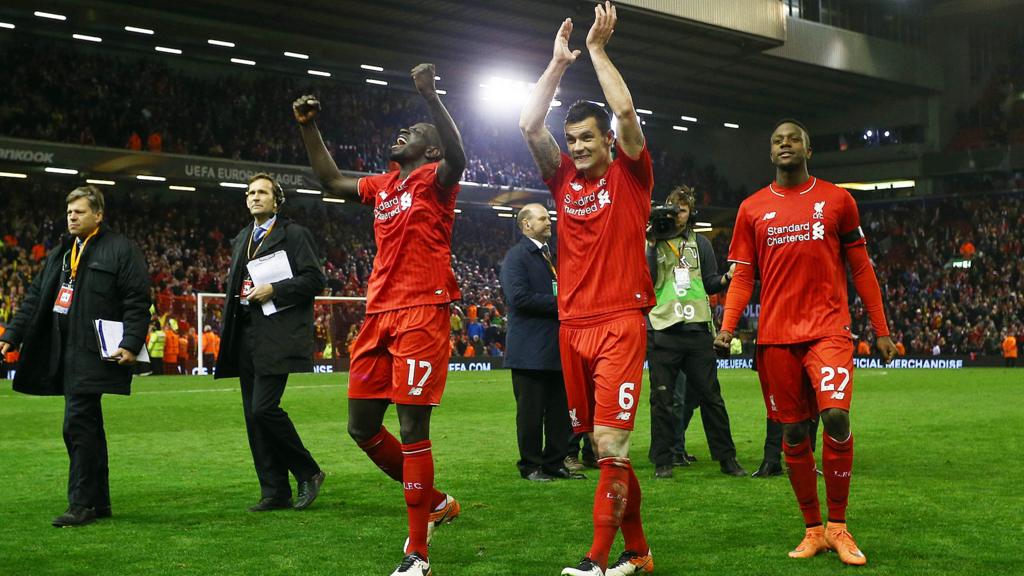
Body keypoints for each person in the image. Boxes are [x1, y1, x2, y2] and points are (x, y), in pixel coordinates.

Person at [294, 62, 466, 576]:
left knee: (413, 428)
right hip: (378, 312)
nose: (400, 134)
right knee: (361, 426)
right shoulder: (384, 185)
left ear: (430, 149)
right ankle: (435, 502)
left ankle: (418, 553)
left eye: (412, 132)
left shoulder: (438, 179)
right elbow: (328, 180)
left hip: (422, 310)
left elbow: (461, 155)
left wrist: (432, 98)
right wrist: (307, 126)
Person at [714, 119, 897, 566]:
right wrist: (728, 324)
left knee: (835, 415)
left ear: (808, 149)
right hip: (776, 337)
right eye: (777, 140)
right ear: (770, 152)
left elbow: (861, 269)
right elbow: (743, 276)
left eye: (793, 139)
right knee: (793, 431)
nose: (784, 145)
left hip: (829, 330)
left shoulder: (837, 200)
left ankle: (839, 524)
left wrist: (882, 328)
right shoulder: (752, 208)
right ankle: (813, 528)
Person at [520, 4, 655, 574]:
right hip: (572, 329)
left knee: (611, 445)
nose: (575, 146)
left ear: (608, 141)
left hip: (620, 323)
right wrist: (556, 65)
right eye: (571, 138)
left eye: (585, 138)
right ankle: (640, 554)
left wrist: (597, 52)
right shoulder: (561, 181)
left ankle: (597, 560)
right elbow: (529, 125)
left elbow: (624, 110)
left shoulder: (632, 174)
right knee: (605, 453)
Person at [0, 185, 150, 527]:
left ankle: (81, 505)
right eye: (69, 211)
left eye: (79, 211)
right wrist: (12, 335)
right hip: (62, 351)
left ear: (98, 215)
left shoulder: (121, 250)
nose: (72, 216)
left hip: (95, 352)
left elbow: (137, 301)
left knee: (77, 424)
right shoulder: (61, 253)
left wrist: (130, 342)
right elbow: (35, 298)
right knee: (88, 426)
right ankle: (99, 501)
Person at [214, 173, 327, 513]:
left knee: (264, 407)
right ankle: (274, 490)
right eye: (250, 193)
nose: (255, 197)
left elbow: (315, 279)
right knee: (253, 415)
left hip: (277, 333)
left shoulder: (294, 235)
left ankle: (309, 471)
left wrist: (275, 290)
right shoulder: (242, 238)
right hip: (245, 334)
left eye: (262, 192)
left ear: (276, 200)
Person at [645, 186, 746, 479]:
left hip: (697, 329)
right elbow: (647, 280)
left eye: (683, 209)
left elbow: (710, 281)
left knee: (711, 397)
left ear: (690, 214)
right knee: (661, 399)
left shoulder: (701, 244)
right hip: (663, 328)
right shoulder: (653, 242)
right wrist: (650, 243)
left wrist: (727, 278)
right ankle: (662, 461)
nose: (677, 214)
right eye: (672, 208)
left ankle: (727, 458)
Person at [501, 203, 582, 482]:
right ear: (526, 225)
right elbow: (518, 298)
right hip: (529, 352)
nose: (549, 221)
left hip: (558, 348)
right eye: (543, 218)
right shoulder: (516, 257)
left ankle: (555, 462)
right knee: (531, 413)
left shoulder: (555, 256)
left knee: (560, 412)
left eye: (549, 217)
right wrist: (563, 304)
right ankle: (531, 465)